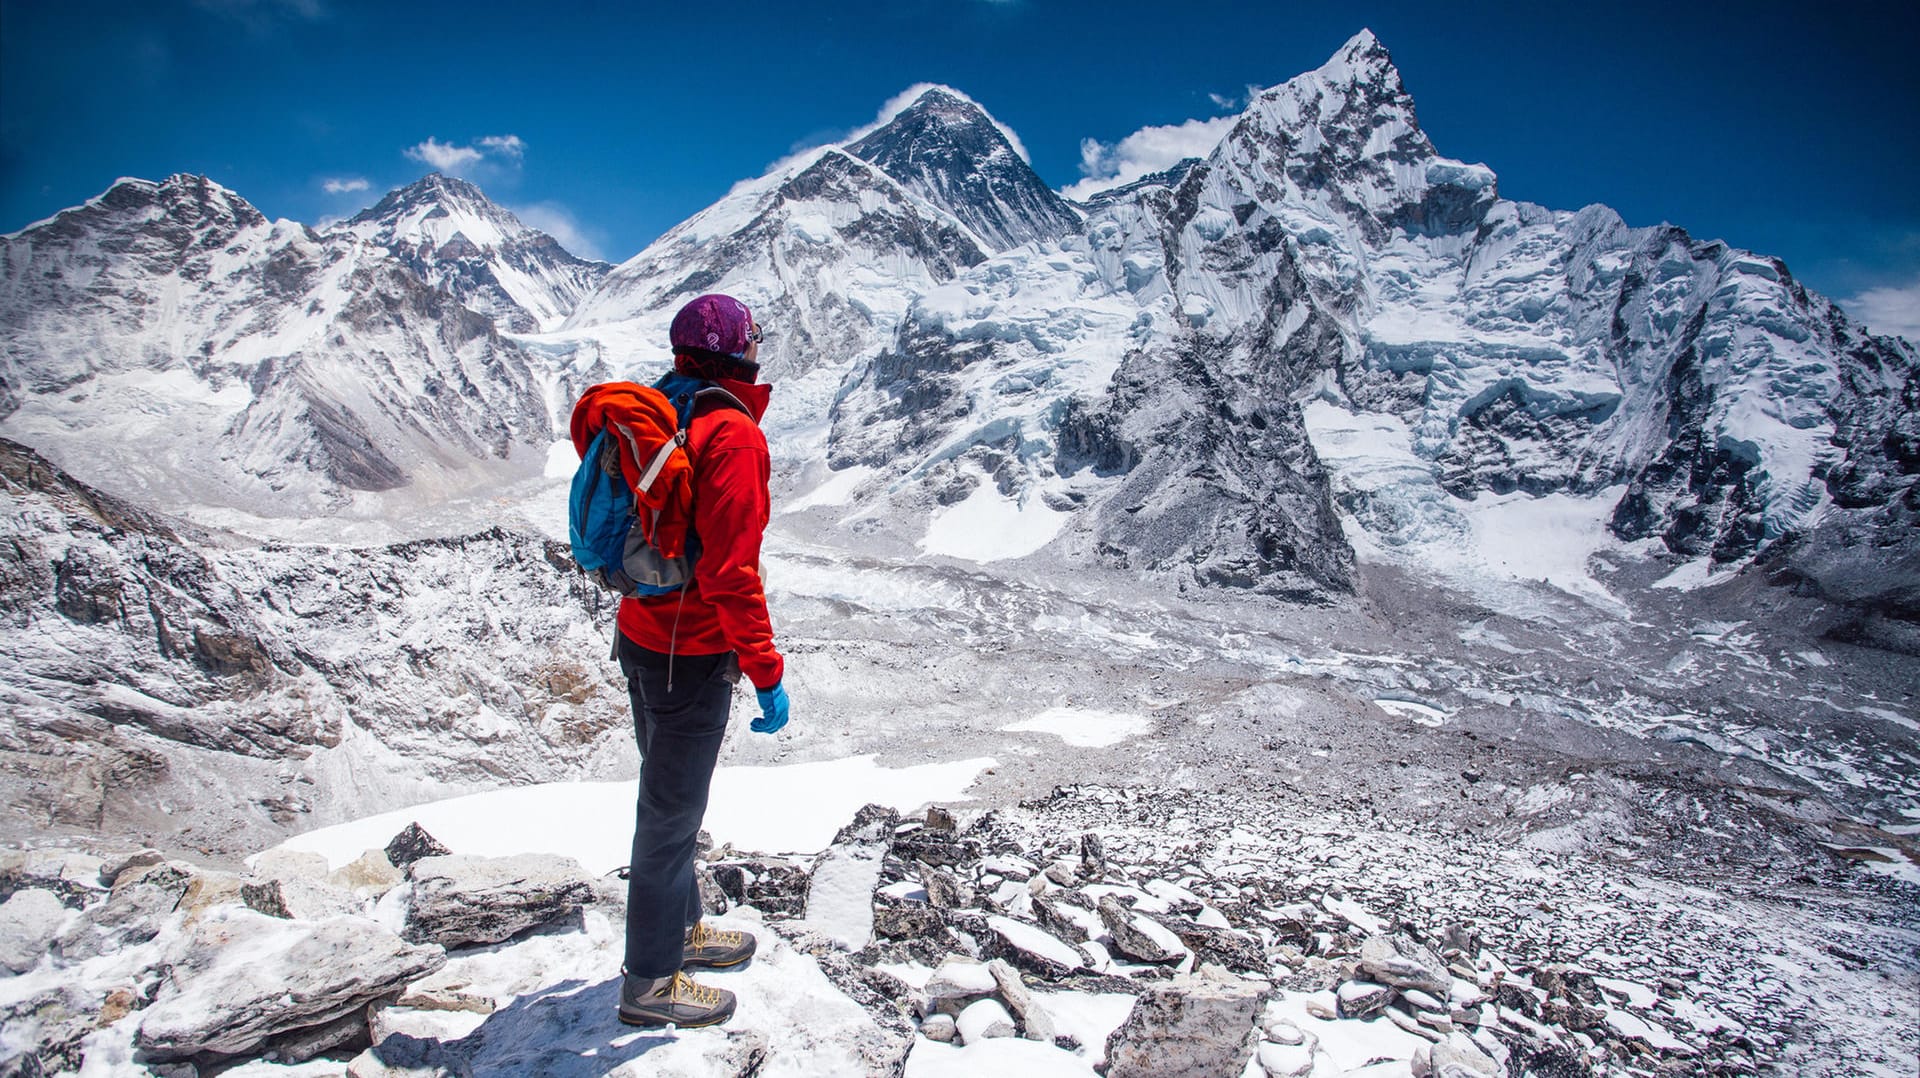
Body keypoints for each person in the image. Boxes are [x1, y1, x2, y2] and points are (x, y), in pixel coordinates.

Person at [615, 293, 791, 1029]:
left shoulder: (659, 412)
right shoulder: (731, 434)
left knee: (670, 808)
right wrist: (766, 669)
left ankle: (681, 934)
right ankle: (650, 983)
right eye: (753, 340)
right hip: (692, 654)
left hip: (640, 635)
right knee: (670, 816)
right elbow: (729, 574)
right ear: (737, 350)